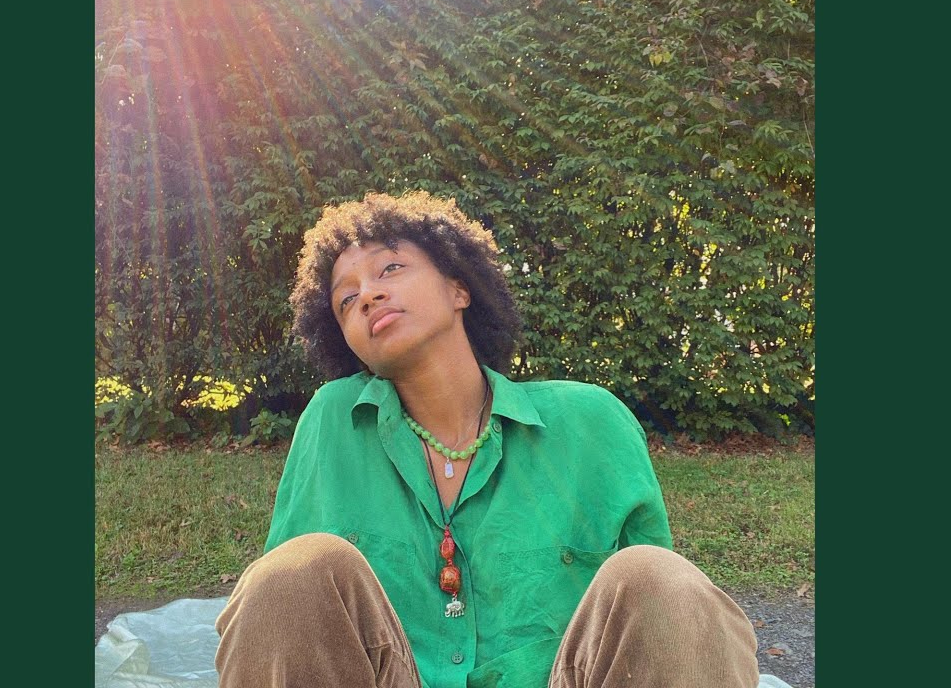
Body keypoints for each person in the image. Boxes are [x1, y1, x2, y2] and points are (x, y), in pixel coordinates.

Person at [215, 191, 759, 688]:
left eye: (390, 268)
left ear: (459, 288)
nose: (368, 295)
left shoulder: (591, 422)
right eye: (345, 299)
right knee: (291, 577)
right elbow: (290, 629)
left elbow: (656, 627)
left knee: (660, 580)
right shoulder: (332, 422)